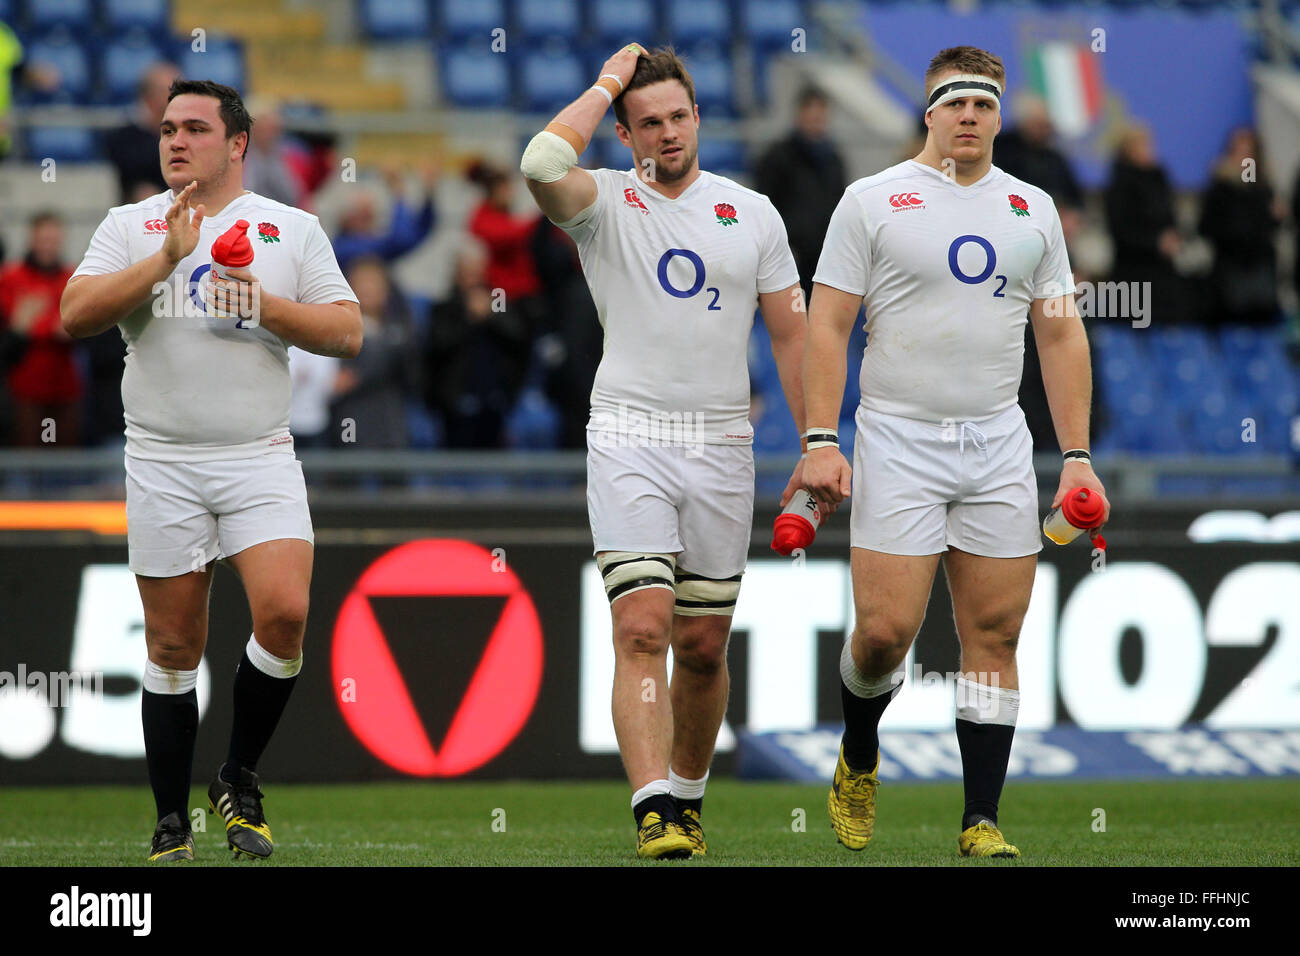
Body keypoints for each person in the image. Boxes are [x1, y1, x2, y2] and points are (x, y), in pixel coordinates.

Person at [802, 46, 1108, 859]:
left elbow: (1058, 329)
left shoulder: (1033, 208)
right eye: (953, 102)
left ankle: (981, 820)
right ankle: (860, 752)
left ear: (1000, 114)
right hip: (899, 435)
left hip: (998, 438)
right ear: (929, 114)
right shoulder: (872, 201)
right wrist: (822, 438)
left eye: (982, 103)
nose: (968, 116)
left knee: (996, 633)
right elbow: (827, 322)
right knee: (883, 634)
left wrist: (1075, 453)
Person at [61, 78, 362, 862]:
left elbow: (347, 332)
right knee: (170, 647)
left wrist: (265, 307)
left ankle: (236, 774)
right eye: (166, 128)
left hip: (257, 454)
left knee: (286, 616)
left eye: (194, 128)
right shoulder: (131, 226)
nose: (174, 141)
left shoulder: (288, 228)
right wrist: (164, 259)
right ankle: (170, 821)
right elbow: (74, 315)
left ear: (237, 145)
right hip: (161, 460)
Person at [521, 45, 808, 859]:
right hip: (629, 434)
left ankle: (687, 798)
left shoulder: (752, 213)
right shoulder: (602, 201)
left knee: (703, 645)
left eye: (679, 116)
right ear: (624, 133)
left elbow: (792, 332)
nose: (669, 132)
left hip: (722, 441)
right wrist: (611, 78)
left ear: (698, 119)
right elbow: (541, 158)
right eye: (648, 122)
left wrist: (817, 439)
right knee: (642, 627)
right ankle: (653, 808)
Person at [754, 85, 847, 302]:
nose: (816, 119)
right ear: (799, 114)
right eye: (811, 113)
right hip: (788, 261)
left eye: (821, 114)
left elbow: (840, 206)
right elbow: (764, 207)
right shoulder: (777, 156)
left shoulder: (834, 159)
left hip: (824, 260)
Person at [0, 211, 80, 446]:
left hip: (66, 388)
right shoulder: (11, 278)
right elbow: (14, 327)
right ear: (31, 239)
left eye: (53, 240)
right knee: (27, 458)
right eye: (43, 240)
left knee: (65, 459)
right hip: (23, 389)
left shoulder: (73, 278)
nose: (48, 246)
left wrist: (36, 323)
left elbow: (84, 324)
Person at [1200, 127, 1281, 328]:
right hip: (1230, 272)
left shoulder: (1262, 187)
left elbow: (1266, 225)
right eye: (1239, 150)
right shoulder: (1221, 187)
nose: (1244, 157)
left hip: (1259, 270)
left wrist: (1274, 216)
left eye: (1249, 152)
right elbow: (1207, 225)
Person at [103, 63, 181, 204]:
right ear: (149, 95)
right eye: (171, 90)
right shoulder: (125, 137)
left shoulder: (188, 134)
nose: (177, 97)